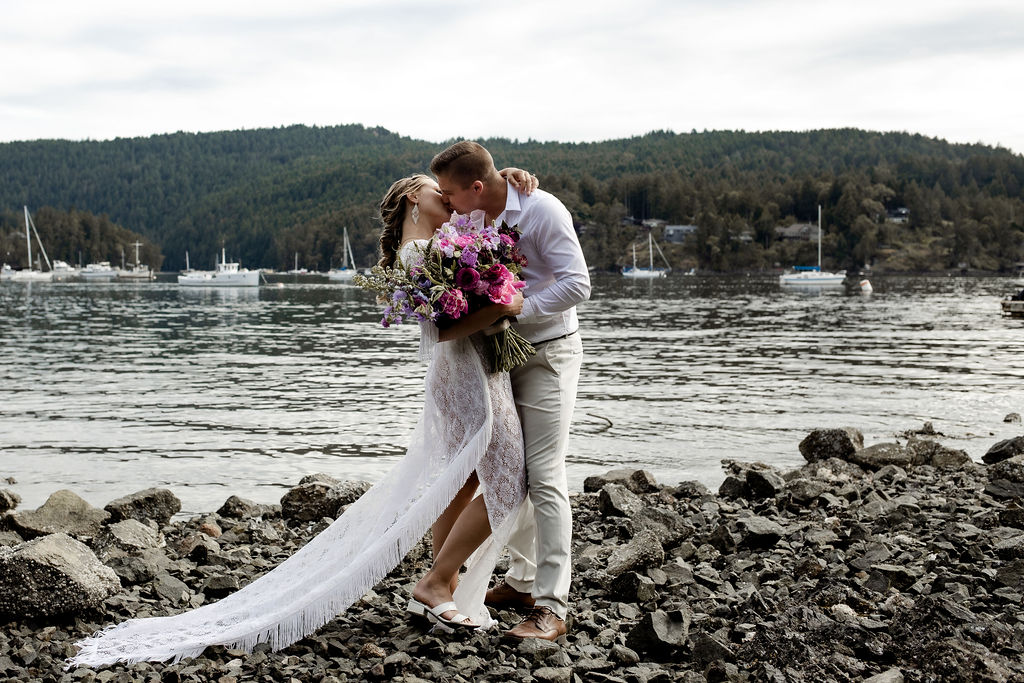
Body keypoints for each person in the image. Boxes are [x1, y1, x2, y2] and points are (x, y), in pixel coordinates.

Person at [69, 168, 538, 667]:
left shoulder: (443, 243)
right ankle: (436, 581)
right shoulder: (419, 255)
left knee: (461, 480)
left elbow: (483, 194)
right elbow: (440, 332)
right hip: (465, 377)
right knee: (511, 480)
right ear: (410, 200)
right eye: (433, 190)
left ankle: (444, 585)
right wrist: (504, 305)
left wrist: (506, 180)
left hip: (470, 371)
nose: (445, 196)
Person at [431, 141, 590, 641]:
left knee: (544, 475)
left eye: (452, 194)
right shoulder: (476, 217)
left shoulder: (543, 211)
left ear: (476, 187)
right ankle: (521, 581)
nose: (448, 203)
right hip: (499, 362)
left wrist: (517, 306)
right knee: (507, 470)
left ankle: (551, 607)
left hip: (548, 354)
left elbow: (578, 284)